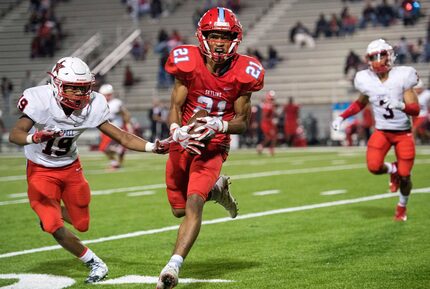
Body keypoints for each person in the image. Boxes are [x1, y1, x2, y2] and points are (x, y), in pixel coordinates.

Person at [8, 57, 168, 284]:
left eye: (83, 89)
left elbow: (122, 136)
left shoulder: (93, 104)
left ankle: (50, 213)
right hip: (40, 168)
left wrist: (153, 147)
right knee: (53, 225)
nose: (78, 94)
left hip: (71, 167)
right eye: (72, 87)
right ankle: (93, 262)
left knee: (82, 223)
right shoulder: (39, 99)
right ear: (56, 85)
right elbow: (15, 135)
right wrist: (35, 136)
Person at [156, 7, 265, 289]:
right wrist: (175, 131)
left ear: (235, 39)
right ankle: (217, 190)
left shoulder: (245, 71)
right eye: (214, 35)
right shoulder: (187, 61)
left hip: (214, 146)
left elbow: (242, 122)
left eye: (225, 36)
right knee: (178, 210)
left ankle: (172, 266)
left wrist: (219, 126)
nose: (219, 42)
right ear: (202, 36)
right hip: (183, 144)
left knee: (194, 205)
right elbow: (176, 106)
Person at [332, 39, 420, 222]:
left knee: (405, 177)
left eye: (381, 55)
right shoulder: (366, 79)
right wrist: (342, 117)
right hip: (382, 132)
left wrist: (400, 104)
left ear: (390, 55)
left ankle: (401, 206)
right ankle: (393, 168)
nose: (378, 60)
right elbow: (360, 103)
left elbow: (415, 109)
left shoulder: (403, 76)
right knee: (373, 166)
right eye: (373, 57)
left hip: (403, 133)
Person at [98, 84, 133, 170]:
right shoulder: (99, 104)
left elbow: (125, 114)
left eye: (108, 94)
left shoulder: (116, 103)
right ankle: (115, 159)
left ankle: (116, 163)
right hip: (106, 129)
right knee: (104, 149)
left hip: (117, 128)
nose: (106, 96)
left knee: (107, 148)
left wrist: (128, 124)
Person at [257, 90, 277, 156]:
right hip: (267, 123)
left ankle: (261, 147)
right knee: (273, 136)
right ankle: (271, 150)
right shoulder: (268, 105)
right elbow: (265, 116)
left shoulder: (269, 105)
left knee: (269, 137)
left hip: (267, 123)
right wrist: (272, 120)